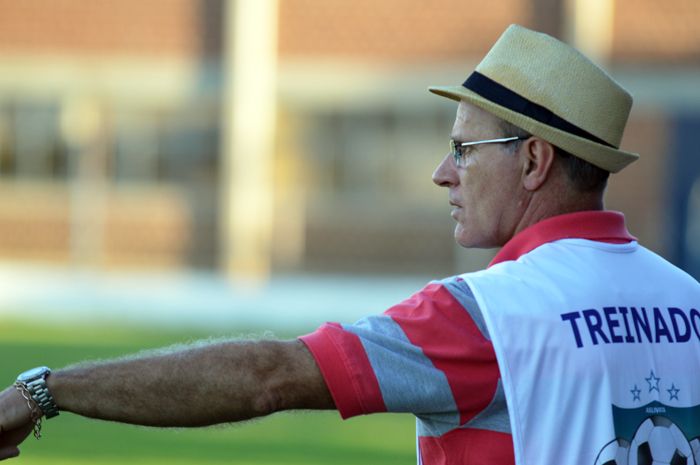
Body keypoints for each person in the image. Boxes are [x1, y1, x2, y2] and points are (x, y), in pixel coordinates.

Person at [2, 24, 700, 465]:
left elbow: (267, 376)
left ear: (533, 161)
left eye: (464, 148)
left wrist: (46, 390)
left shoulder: (490, 315)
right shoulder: (690, 302)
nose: (442, 172)